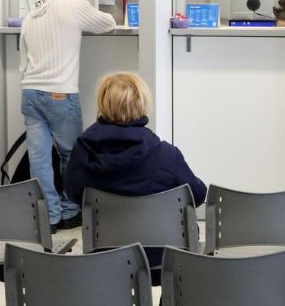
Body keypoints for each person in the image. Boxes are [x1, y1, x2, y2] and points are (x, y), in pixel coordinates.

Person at [20, 0, 117, 232]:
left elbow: (23, 58)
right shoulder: (74, 4)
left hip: (30, 92)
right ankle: (70, 211)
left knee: (39, 159)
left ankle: (48, 217)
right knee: (71, 155)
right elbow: (108, 23)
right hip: (60, 93)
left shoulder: (33, 11)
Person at [64, 72, 206, 206]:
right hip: (155, 224)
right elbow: (197, 195)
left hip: (102, 224)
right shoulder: (167, 155)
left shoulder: (83, 151)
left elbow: (73, 192)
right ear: (143, 103)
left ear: (103, 102)